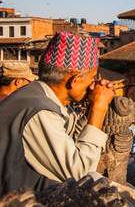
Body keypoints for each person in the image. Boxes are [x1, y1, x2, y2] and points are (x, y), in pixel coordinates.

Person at [0, 32, 114, 196]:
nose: (93, 85)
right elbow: (80, 172)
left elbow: (70, 139)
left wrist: (91, 106)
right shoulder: (40, 111)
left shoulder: (38, 94)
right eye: (92, 78)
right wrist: (99, 108)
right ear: (75, 80)